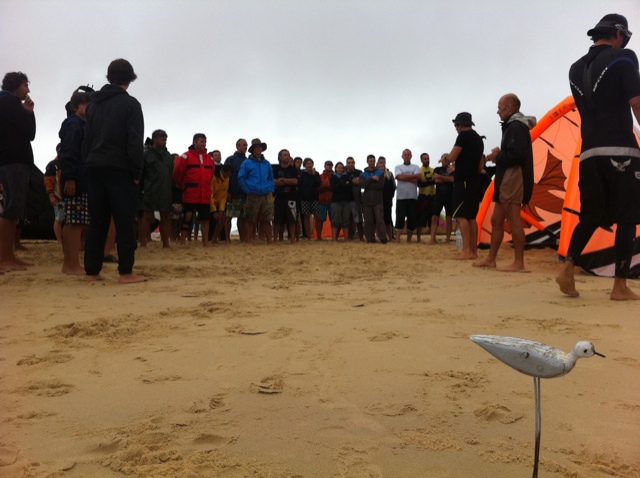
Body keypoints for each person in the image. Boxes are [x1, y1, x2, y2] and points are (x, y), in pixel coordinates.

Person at [556, 14, 640, 300]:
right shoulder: (625, 58)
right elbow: (636, 102)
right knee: (628, 216)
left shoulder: (574, 68)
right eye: (624, 38)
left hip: (589, 152)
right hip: (621, 150)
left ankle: (567, 267)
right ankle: (620, 286)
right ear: (618, 34)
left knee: (590, 215)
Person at [82, 59, 146, 283]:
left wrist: (86, 166)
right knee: (124, 221)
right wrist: (137, 172)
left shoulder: (93, 105)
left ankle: (92, 272)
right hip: (120, 169)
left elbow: (87, 140)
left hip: (94, 167)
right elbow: (135, 143)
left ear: (109, 77)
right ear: (130, 77)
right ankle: (126, 272)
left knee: (97, 221)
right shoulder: (131, 105)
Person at [474, 94, 535, 272]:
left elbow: (516, 155)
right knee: (496, 219)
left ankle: (519, 263)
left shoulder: (516, 126)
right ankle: (491, 259)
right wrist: (500, 154)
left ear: (509, 108)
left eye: (500, 107)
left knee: (513, 218)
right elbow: (515, 151)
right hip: (506, 177)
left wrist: (496, 156)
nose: (497, 111)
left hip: (513, 177)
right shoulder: (514, 127)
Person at [0, 71, 35, 271]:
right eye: (25, 85)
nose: (28, 89)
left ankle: (8, 256)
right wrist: (28, 113)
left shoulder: (7, 102)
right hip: (14, 161)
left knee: (12, 209)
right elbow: (30, 133)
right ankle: (5, 258)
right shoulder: (8, 101)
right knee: (12, 208)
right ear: (15, 85)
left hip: (8, 160)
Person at [59, 87, 92, 274]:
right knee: (75, 221)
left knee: (75, 220)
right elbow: (69, 152)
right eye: (85, 104)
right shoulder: (74, 124)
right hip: (75, 178)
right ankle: (70, 264)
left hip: (81, 177)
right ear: (77, 106)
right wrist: (70, 177)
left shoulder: (81, 124)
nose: (88, 107)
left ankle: (70, 263)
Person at [447, 112, 484, 259]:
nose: (456, 128)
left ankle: (466, 251)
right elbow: (481, 163)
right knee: (472, 217)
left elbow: (452, 156)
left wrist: (445, 159)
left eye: (456, 125)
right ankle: (473, 252)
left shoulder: (463, 136)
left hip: (463, 180)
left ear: (460, 125)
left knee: (461, 216)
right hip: (474, 180)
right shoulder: (479, 139)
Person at [173, 133, 215, 246]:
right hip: (190, 192)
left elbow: (211, 174)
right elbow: (177, 173)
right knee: (187, 217)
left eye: (205, 141)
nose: (204, 144)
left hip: (205, 193)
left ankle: (205, 241)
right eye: (201, 141)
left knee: (205, 218)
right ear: (195, 142)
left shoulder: (209, 158)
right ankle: (183, 241)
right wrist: (182, 185)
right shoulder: (185, 157)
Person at [140, 129, 173, 248]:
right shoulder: (146, 153)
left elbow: (170, 173)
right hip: (150, 189)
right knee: (147, 216)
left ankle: (166, 243)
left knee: (165, 216)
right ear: (155, 139)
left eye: (166, 139)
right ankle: (143, 243)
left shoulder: (167, 155)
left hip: (165, 189)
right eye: (162, 139)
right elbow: (141, 173)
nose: (165, 142)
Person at [238, 138, 274, 244]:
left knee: (267, 218)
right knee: (250, 218)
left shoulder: (267, 163)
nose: (259, 148)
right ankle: (248, 240)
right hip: (253, 193)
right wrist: (248, 190)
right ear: (253, 149)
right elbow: (241, 177)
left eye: (260, 147)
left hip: (266, 194)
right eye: (256, 147)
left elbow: (271, 178)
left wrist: (270, 189)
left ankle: (269, 240)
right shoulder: (246, 163)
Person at [394, 149, 421, 243]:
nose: (406, 156)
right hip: (401, 198)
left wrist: (404, 177)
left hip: (413, 197)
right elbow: (399, 177)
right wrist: (412, 176)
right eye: (405, 154)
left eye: (408, 154)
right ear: (402, 156)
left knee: (412, 219)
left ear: (411, 156)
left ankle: (409, 240)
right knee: (400, 218)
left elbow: (417, 178)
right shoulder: (398, 167)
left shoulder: (416, 166)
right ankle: (398, 240)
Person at [272, 149, 299, 243]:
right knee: (277, 220)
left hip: (291, 198)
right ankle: (275, 239)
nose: (287, 157)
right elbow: (274, 182)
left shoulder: (293, 169)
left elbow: (295, 181)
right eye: (284, 155)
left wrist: (283, 179)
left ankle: (292, 239)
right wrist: (288, 181)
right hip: (278, 198)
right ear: (280, 157)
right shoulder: (275, 169)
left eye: (288, 155)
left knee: (292, 220)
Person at [360, 154, 387, 243]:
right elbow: (362, 185)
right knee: (368, 221)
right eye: (370, 161)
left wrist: (368, 185)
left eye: (373, 161)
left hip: (378, 201)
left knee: (380, 220)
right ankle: (370, 239)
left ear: (375, 162)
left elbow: (380, 185)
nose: (372, 162)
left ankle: (383, 238)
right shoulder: (363, 174)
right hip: (367, 201)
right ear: (367, 162)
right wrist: (372, 179)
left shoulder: (380, 173)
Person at [224, 139, 248, 242]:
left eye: (246, 145)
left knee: (242, 217)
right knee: (229, 216)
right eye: (244, 145)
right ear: (237, 146)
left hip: (244, 193)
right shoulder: (230, 159)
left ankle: (243, 238)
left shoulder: (248, 161)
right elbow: (225, 176)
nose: (246, 147)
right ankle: (227, 238)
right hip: (232, 193)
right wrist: (227, 191)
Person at [429, 154, 455, 244]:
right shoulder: (437, 169)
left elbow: (453, 179)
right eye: (443, 159)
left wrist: (440, 177)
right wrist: (447, 179)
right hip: (439, 196)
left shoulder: (452, 169)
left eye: (446, 158)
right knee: (434, 217)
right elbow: (436, 180)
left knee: (449, 218)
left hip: (450, 196)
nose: (445, 160)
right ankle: (432, 239)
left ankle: (448, 239)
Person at [44, 144, 64, 244]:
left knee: (69, 220)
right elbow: (48, 181)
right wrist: (51, 195)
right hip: (58, 197)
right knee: (59, 219)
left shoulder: (70, 163)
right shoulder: (53, 165)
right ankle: (60, 241)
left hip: (68, 197)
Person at [298, 158, 322, 240]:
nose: (309, 165)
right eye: (307, 163)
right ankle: (308, 237)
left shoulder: (316, 174)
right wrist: (302, 196)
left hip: (314, 198)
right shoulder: (302, 174)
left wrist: (314, 174)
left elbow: (318, 184)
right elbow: (300, 185)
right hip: (304, 198)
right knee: (306, 217)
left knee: (318, 217)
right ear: (305, 165)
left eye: (311, 163)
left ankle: (319, 236)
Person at [329, 161, 353, 241]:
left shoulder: (347, 177)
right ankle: (334, 239)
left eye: (342, 168)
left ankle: (346, 238)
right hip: (336, 202)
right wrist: (344, 185)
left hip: (346, 201)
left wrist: (340, 185)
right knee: (335, 221)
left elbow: (349, 187)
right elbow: (333, 188)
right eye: (339, 167)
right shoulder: (333, 177)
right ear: (335, 168)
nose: (340, 169)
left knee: (346, 221)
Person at [210, 164, 232, 243]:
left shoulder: (227, 179)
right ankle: (207, 239)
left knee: (223, 217)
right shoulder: (213, 177)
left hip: (218, 201)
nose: (227, 177)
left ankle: (214, 239)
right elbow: (210, 195)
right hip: (208, 200)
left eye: (229, 175)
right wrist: (214, 211)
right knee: (208, 219)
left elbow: (223, 196)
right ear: (222, 171)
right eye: (227, 174)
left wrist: (221, 210)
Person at [416, 153, 435, 242]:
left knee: (432, 217)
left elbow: (436, 181)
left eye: (428, 158)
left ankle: (432, 238)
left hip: (433, 196)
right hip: (423, 196)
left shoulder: (433, 170)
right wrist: (431, 181)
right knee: (420, 218)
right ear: (421, 160)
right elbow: (420, 184)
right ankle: (418, 238)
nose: (427, 160)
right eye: (425, 159)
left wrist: (426, 181)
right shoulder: (419, 171)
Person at [345, 156, 364, 241]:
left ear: (354, 163)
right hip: (346, 199)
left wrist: (349, 183)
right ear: (346, 164)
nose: (350, 164)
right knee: (348, 219)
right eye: (349, 163)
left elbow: (361, 182)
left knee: (359, 219)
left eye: (352, 163)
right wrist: (352, 182)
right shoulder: (343, 173)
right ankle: (350, 237)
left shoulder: (359, 172)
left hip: (356, 199)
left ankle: (361, 237)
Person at [378, 156, 396, 241]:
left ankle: (390, 237)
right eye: (379, 166)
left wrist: (390, 198)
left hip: (387, 201)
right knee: (378, 220)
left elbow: (393, 188)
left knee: (388, 220)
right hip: (377, 201)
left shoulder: (389, 176)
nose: (381, 168)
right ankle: (378, 236)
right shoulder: (374, 177)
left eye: (382, 166)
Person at [317, 160, 334, 239]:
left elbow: (335, 187)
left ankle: (334, 236)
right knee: (320, 219)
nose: (329, 166)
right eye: (328, 165)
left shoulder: (334, 176)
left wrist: (326, 186)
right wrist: (325, 186)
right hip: (322, 200)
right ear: (324, 166)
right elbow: (317, 188)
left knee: (333, 219)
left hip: (332, 200)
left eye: (330, 165)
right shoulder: (320, 176)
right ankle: (319, 237)